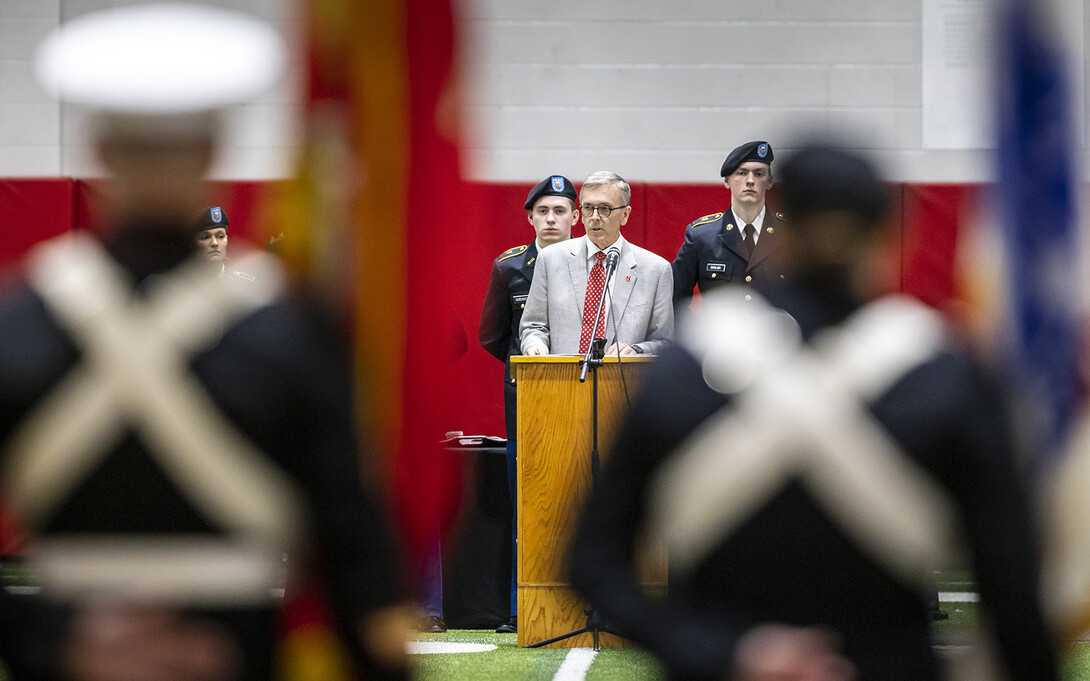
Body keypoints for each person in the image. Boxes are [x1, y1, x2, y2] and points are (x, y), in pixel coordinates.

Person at [0, 5, 411, 681]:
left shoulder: (19, 323)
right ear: (217, 148)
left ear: (97, 149)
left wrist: (42, 639)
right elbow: (355, 555)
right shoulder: (290, 333)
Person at [569, 143, 1059, 681]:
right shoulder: (947, 377)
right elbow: (1012, 586)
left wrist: (720, 651)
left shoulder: (685, 370)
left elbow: (593, 560)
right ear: (894, 234)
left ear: (785, 226)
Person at [479, 175, 579, 634]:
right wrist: (536, 372)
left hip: (586, 394)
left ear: (576, 217)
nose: (552, 219)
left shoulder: (593, 264)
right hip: (528, 396)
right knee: (528, 496)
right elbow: (493, 336)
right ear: (530, 218)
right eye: (543, 211)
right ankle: (524, 608)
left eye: (560, 211)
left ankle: (585, 599)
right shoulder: (510, 267)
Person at [519, 171, 673, 357]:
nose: (595, 217)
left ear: (625, 214)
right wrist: (535, 345)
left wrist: (637, 349)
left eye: (604, 209)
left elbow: (664, 342)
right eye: (588, 208)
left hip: (622, 381)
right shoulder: (550, 259)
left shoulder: (655, 270)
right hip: (562, 380)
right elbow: (533, 326)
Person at [671, 141, 786, 310]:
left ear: (770, 181)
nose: (750, 181)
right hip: (717, 335)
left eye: (759, 174)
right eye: (741, 173)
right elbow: (675, 299)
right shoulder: (703, 236)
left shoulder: (788, 234)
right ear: (727, 180)